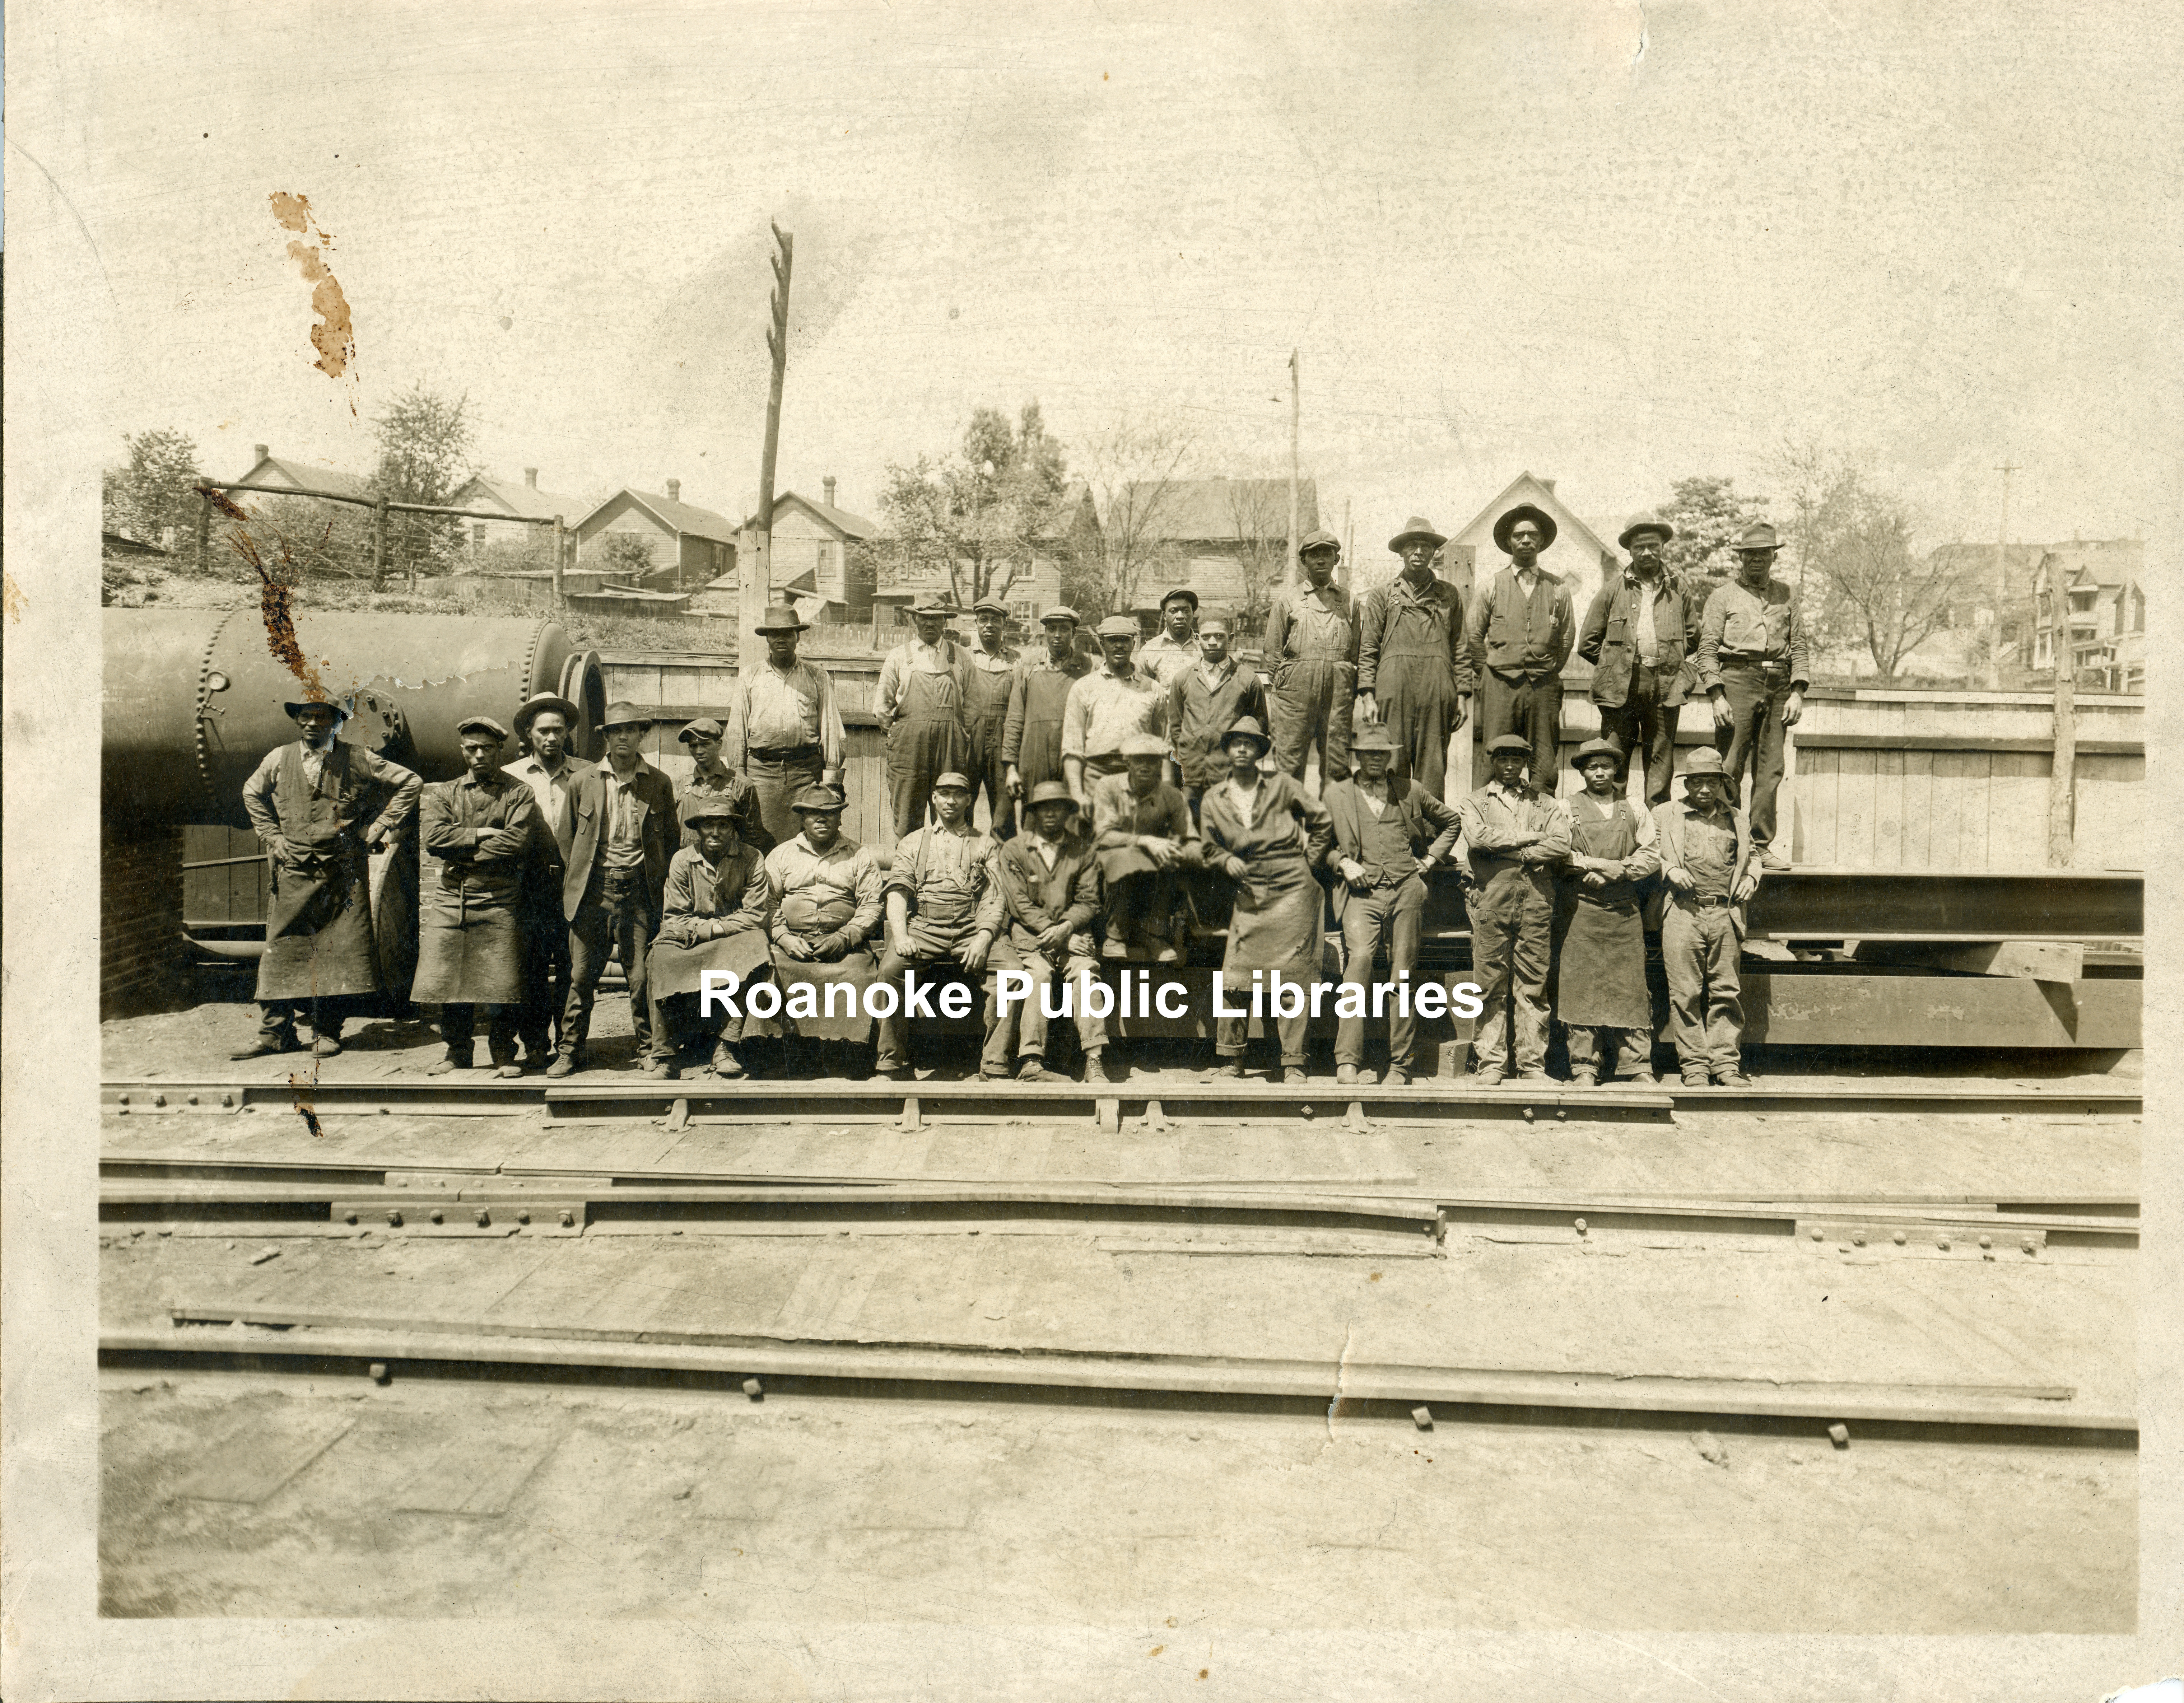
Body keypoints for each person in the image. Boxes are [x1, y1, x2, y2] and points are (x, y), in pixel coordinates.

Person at [232, 694, 421, 1060]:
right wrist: (273, 837)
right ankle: (275, 1033)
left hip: (342, 873)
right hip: (293, 871)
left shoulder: (358, 757)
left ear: (336, 722)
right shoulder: (278, 758)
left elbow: (410, 782)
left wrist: (381, 825)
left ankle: (327, 1031)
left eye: (320, 717)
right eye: (305, 717)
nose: (311, 724)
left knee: (338, 951)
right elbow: (251, 793)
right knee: (281, 949)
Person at [1322, 723, 1463, 1087]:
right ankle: (1347, 1061)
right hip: (1361, 893)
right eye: (1368, 754)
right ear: (1357, 758)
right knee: (1359, 964)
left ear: (1389, 757)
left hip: (1406, 888)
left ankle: (1400, 1065)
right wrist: (1342, 862)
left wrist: (1430, 861)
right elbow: (1317, 843)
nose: (1374, 760)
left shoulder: (1409, 789)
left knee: (1402, 973)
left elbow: (1451, 821)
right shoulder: (1336, 794)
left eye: (1381, 754)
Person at [1198, 717, 1335, 1083]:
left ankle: (1293, 1063)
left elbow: (1321, 820)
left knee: (1293, 979)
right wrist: (1225, 859)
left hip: (1293, 890)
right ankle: (1231, 1061)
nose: (1242, 749)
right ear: (1227, 750)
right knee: (1235, 978)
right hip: (1250, 892)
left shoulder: (1283, 784)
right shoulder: (1214, 797)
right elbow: (1206, 845)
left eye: (1250, 743)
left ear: (1260, 751)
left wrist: (1306, 863)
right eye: (1236, 743)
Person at [551, 701, 677, 1077]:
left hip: (639, 893)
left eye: (631, 730)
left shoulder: (658, 782)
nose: (623, 737)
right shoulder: (583, 781)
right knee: (581, 976)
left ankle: (648, 1050)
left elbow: (669, 841)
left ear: (643, 735)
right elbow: (567, 838)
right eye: (615, 730)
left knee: (640, 977)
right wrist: (583, 878)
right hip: (592, 891)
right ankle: (570, 1050)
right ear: (605, 736)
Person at [413, 715, 539, 1077]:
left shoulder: (518, 792)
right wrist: (484, 833)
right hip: (453, 897)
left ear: (500, 749)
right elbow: (434, 840)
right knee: (449, 979)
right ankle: (457, 1052)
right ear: (463, 751)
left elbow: (517, 842)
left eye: (487, 748)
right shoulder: (446, 792)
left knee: (501, 983)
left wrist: (464, 847)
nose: (480, 755)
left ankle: (503, 1052)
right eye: (472, 749)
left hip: (500, 899)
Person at [1456, 732, 1571, 1086]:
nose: (1509, 766)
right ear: (1492, 763)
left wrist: (1518, 851)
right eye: (1502, 759)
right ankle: (1490, 1062)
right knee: (1489, 984)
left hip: (1536, 901)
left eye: (1516, 760)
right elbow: (1477, 839)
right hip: (1491, 900)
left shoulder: (1545, 803)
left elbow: (1561, 843)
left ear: (1525, 763)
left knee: (1533, 985)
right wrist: (1529, 837)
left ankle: (1531, 1065)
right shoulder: (1475, 801)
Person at [1695, 520, 1810, 870]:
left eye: (1763, 553)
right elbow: (1706, 649)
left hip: (1777, 683)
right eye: (1749, 555)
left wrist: (1797, 692)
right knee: (1729, 764)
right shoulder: (1722, 596)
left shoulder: (1787, 595)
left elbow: (1800, 646)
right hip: (1736, 681)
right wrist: (1716, 695)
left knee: (1771, 768)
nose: (1756, 560)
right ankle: (1728, 843)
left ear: (1773, 557)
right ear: (1740, 558)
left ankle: (1760, 845)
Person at [872, 771, 1003, 1079]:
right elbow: (898, 893)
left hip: (971, 926)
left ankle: (995, 1064)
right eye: (944, 794)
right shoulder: (914, 842)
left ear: (969, 800)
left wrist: (984, 937)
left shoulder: (984, 844)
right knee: (890, 972)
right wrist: (901, 935)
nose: (951, 801)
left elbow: (994, 898)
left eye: (958, 794)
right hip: (924, 926)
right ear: (934, 798)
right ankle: (891, 1063)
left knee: (1011, 973)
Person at [984, 780, 1111, 1084]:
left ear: (1068, 812)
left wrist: (1067, 929)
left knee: (1085, 976)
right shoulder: (1014, 849)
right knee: (1037, 977)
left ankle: (1094, 1061)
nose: (1050, 814)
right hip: (1031, 941)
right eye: (1043, 808)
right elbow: (1019, 905)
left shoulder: (1082, 850)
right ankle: (1031, 1061)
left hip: (1074, 941)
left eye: (1057, 807)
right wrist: (1060, 933)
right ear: (1034, 813)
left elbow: (1089, 900)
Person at [1648, 748, 1761, 1086]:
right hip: (1683, 912)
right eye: (1697, 782)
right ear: (1687, 784)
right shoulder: (1665, 814)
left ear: (1722, 784)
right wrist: (1668, 869)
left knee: (1726, 991)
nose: (1704, 790)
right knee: (1685, 993)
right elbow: (1648, 852)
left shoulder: (1737, 818)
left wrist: (1751, 878)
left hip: (1725, 913)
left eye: (1711, 782)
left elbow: (1753, 856)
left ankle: (1725, 1065)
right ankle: (1694, 1066)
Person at [1554, 738, 1663, 1087]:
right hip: (1581, 910)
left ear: (1616, 769)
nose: (1599, 772)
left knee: (1629, 985)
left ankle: (1636, 1065)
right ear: (1582, 771)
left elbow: (1651, 854)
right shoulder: (1564, 808)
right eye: (1591, 766)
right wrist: (1597, 865)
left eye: (1605, 765)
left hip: (1623, 910)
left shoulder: (1634, 808)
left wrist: (1622, 870)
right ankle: (1584, 1065)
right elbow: (1558, 852)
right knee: (1581, 984)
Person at [1578, 513, 1704, 808]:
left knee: (1660, 758)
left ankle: (1657, 830)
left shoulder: (1678, 589)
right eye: (1639, 547)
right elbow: (1587, 642)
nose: (1647, 552)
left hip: (1664, 686)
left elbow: (1693, 638)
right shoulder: (1612, 590)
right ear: (1630, 550)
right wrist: (1617, 664)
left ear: (1662, 547)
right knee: (1613, 758)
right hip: (1620, 686)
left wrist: (1676, 668)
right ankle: (1614, 825)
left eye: (1653, 546)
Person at [647, 793, 775, 1081]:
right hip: (689, 932)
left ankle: (725, 1047)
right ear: (698, 830)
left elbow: (755, 914)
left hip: (734, 934)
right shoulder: (682, 860)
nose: (715, 833)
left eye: (723, 826)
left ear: (734, 830)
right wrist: (704, 931)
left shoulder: (752, 857)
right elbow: (675, 914)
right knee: (660, 956)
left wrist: (717, 930)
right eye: (708, 826)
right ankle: (663, 1054)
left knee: (755, 950)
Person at [764, 784, 886, 1066]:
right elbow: (767, 903)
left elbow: (871, 905)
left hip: (844, 944)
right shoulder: (781, 855)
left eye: (829, 814)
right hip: (792, 943)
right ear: (802, 819)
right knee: (771, 971)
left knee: (860, 975)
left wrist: (845, 937)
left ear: (840, 818)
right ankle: (779, 1053)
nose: (822, 820)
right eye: (813, 814)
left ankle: (850, 1055)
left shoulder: (859, 855)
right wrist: (783, 937)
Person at [1357, 515, 1474, 799]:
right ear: (1401, 552)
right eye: (1412, 546)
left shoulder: (1449, 595)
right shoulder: (1382, 595)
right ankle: (1393, 834)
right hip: (1392, 690)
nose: (1418, 552)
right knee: (1392, 764)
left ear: (1434, 552)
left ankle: (1429, 841)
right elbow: (1368, 648)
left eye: (1425, 546)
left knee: (1432, 769)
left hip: (1436, 691)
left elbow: (1460, 646)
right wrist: (1368, 697)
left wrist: (1462, 695)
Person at [505, 691, 591, 1068]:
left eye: (559, 730)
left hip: (576, 883)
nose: (552, 738)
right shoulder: (510, 776)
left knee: (573, 968)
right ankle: (535, 1043)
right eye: (543, 731)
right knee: (532, 967)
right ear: (529, 733)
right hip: (530, 885)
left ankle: (570, 1045)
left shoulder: (588, 773)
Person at [1465, 504, 1576, 789]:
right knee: (1494, 755)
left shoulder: (1558, 588)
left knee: (1545, 762)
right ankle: (1485, 824)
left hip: (1543, 686)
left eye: (1532, 535)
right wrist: (1492, 671)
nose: (1525, 540)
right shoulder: (1491, 585)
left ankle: (1543, 826)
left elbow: (1566, 638)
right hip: (1500, 685)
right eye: (1519, 536)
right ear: (1509, 541)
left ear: (1540, 541)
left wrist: (1546, 669)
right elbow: (1473, 637)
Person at [723, 601, 846, 851]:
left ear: (797, 637)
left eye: (787, 633)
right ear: (767, 638)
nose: (781, 639)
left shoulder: (817, 676)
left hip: (805, 772)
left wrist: (831, 780)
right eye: (774, 634)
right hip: (762, 773)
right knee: (759, 840)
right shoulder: (750, 676)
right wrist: (739, 775)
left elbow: (831, 729)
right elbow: (737, 729)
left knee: (809, 842)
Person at [1089, 731, 1201, 962]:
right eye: (1138, 760)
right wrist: (1145, 841)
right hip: (1112, 859)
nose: (1145, 766)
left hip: (1155, 862)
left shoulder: (1171, 795)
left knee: (1172, 859)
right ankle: (1116, 935)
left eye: (1151, 760)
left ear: (1160, 764)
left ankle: (1153, 935)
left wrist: (1186, 852)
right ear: (1127, 761)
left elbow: (1189, 835)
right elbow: (1103, 836)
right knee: (1126, 859)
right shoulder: (1109, 786)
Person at [1261, 529, 1358, 789]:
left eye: (1327, 553)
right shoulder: (1287, 600)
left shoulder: (1350, 601)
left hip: (1338, 692)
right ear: (1304, 561)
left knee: (1337, 763)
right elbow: (1272, 653)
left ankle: (1331, 827)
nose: (1321, 559)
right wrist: (1288, 687)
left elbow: (1358, 650)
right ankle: (1287, 826)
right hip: (1295, 692)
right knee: (1289, 761)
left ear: (1336, 559)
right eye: (1314, 554)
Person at [877, 592, 974, 837]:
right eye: (924, 618)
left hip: (950, 749)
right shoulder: (899, 656)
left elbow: (974, 705)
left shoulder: (961, 656)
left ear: (945, 622)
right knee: (907, 815)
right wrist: (902, 735)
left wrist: (961, 735)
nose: (929, 623)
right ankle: (908, 873)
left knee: (950, 813)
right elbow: (882, 708)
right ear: (914, 620)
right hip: (909, 750)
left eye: (936, 618)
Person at [1060, 613, 1169, 805]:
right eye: (1112, 641)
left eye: (1125, 640)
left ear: (1133, 644)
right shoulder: (1084, 688)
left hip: (1141, 777)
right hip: (1097, 777)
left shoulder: (1152, 689)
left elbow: (1163, 746)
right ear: (1102, 644)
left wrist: (1166, 791)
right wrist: (1078, 795)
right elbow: (1072, 748)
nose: (1119, 646)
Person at [1166, 610, 1266, 818]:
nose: (1212, 642)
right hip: (1191, 776)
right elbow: (1176, 727)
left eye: (1219, 636)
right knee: (1190, 833)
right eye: (1206, 637)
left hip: (1229, 777)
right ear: (1197, 638)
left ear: (1231, 638)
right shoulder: (1183, 679)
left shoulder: (1248, 681)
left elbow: (1260, 727)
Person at [1002, 606, 1091, 813]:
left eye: (1064, 629)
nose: (1058, 635)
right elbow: (1015, 718)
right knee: (1034, 816)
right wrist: (1011, 768)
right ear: (1045, 632)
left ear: (1074, 633)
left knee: (1072, 818)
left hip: (1072, 755)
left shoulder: (1086, 667)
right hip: (1034, 756)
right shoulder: (1028, 665)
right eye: (1052, 629)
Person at [963, 596, 1020, 839]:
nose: (989, 625)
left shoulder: (1017, 661)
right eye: (983, 620)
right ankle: (962, 863)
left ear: (1004, 625)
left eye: (995, 620)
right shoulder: (963, 657)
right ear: (976, 624)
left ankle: (1003, 865)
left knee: (1003, 808)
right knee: (962, 802)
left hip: (1002, 739)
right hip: (969, 740)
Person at [675, 716, 773, 856]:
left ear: (719, 744)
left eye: (705, 744)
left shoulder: (741, 785)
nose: (699, 751)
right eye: (693, 746)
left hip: (728, 867)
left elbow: (752, 837)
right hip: (688, 866)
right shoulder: (679, 786)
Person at [1136, 587, 1201, 686]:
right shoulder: (1150, 650)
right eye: (1174, 611)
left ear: (1193, 614)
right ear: (1165, 616)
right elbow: (1141, 689)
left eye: (1186, 610)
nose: (1180, 616)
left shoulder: (1204, 646)